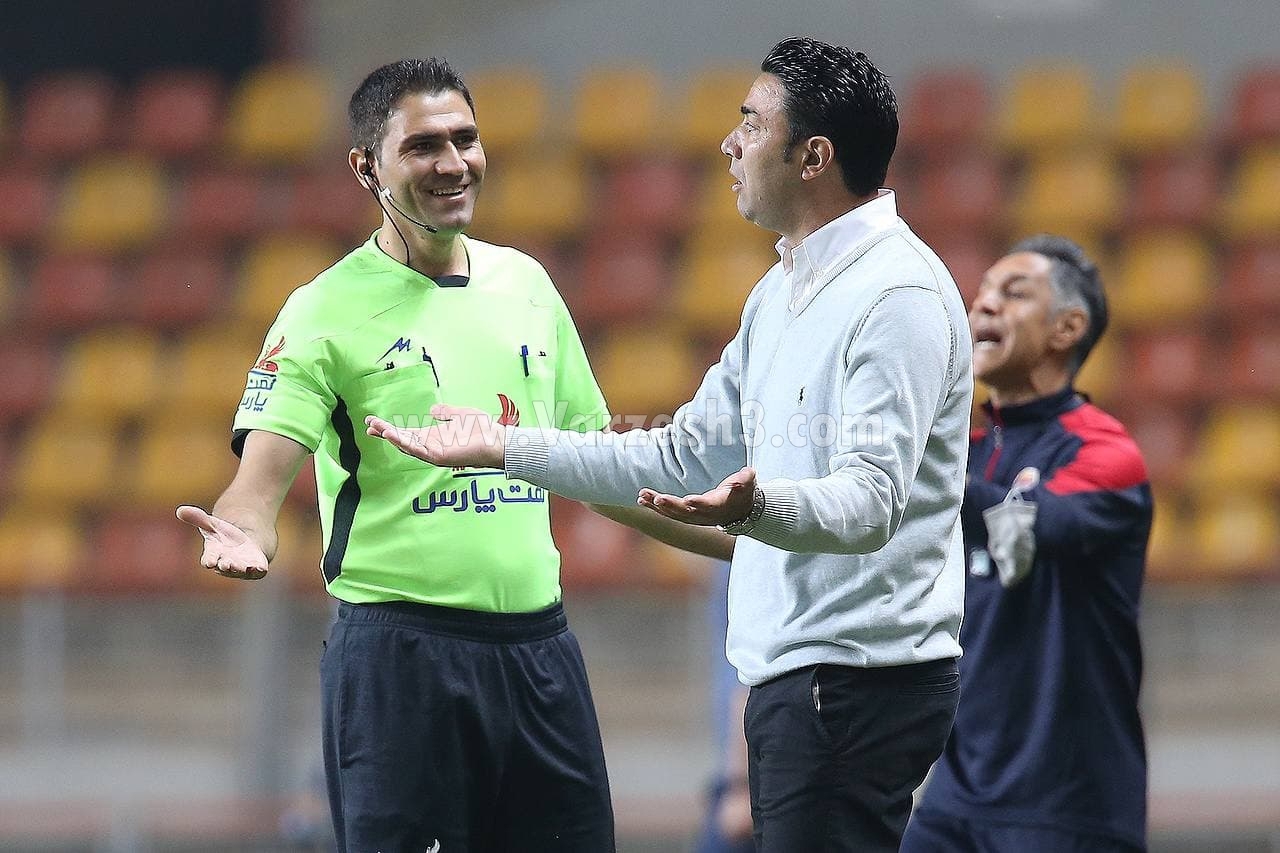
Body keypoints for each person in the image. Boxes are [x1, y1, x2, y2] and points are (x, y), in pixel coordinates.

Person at [367, 37, 973, 852]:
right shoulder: (781, 290)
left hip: (856, 681)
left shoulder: (896, 294)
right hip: (803, 682)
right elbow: (679, 456)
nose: (730, 143)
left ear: (814, 157)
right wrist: (506, 448)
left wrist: (756, 506)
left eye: (752, 124)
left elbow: (871, 503)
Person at [176, 57, 731, 853]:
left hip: (541, 655)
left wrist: (744, 546)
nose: (453, 162)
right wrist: (243, 534)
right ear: (366, 167)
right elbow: (255, 492)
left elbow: (599, 469)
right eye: (423, 146)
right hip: (401, 664)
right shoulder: (321, 311)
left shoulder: (528, 286)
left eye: (465, 139)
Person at [901, 235, 1153, 853]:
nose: (983, 306)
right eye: (982, 293)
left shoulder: (1106, 452)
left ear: (1068, 327)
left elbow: (1028, 526)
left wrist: (910, 464)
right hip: (955, 793)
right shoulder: (965, 453)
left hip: (1066, 803)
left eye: (1013, 294)